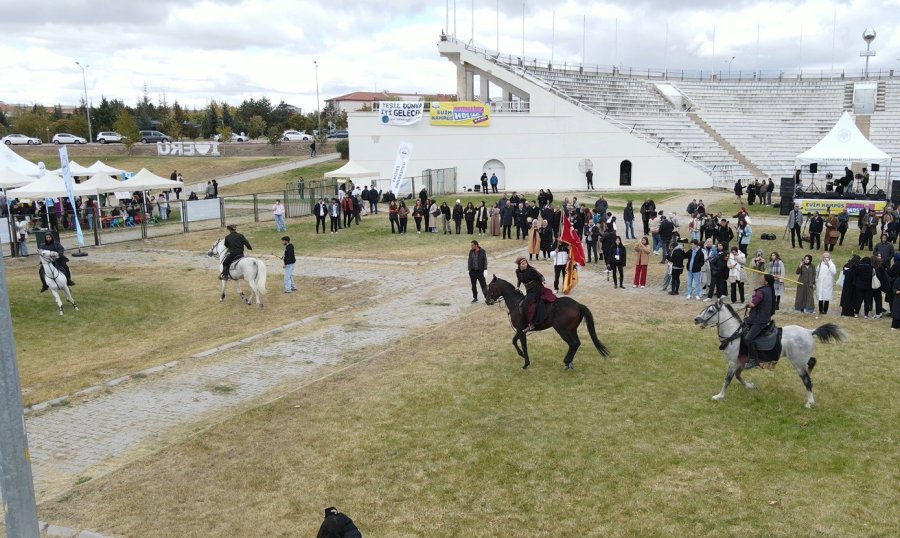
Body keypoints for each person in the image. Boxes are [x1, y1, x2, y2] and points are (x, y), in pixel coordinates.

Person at [744, 273, 776, 367]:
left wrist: (748, 302)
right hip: (764, 318)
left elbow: (753, 304)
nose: (760, 279)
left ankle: (753, 361)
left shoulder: (761, 292)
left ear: (766, 282)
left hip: (759, 320)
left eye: (762, 278)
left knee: (748, 339)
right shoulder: (770, 289)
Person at [516, 256, 545, 331]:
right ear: (519, 265)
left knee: (524, 305)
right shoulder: (518, 271)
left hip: (536, 290)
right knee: (521, 304)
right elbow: (519, 279)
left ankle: (531, 324)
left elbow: (540, 276)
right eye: (522, 264)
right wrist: (518, 287)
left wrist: (543, 281)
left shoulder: (531, 270)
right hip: (529, 291)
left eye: (525, 263)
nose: (525, 264)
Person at [815, 251, 837, 316]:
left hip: (827, 284)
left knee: (826, 297)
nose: (825, 258)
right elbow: (817, 272)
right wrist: (816, 281)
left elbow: (834, 272)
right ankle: (820, 310)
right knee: (820, 297)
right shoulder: (820, 264)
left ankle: (825, 310)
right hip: (820, 283)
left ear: (829, 257)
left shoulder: (831, 264)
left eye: (827, 257)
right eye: (824, 257)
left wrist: (828, 265)